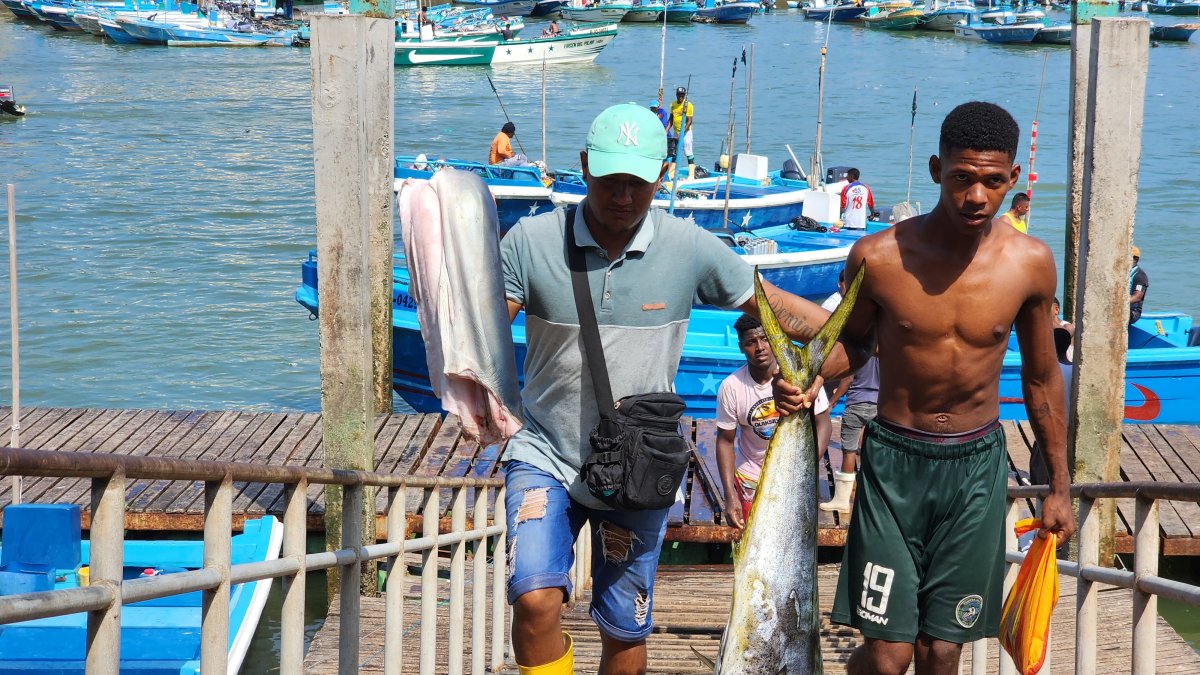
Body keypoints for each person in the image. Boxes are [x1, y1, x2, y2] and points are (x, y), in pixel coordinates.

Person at [500, 102, 836, 675]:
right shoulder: (529, 242)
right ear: (584, 167)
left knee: (624, 629)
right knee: (534, 599)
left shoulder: (688, 247)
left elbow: (776, 308)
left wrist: (848, 340)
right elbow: (475, 334)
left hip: (639, 462)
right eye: (611, 179)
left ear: (662, 174)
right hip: (546, 453)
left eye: (638, 180)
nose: (624, 196)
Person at [776, 101, 1076, 675]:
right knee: (888, 655)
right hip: (893, 463)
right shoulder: (880, 256)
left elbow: (1040, 380)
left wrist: (1058, 486)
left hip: (976, 469)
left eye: (992, 182)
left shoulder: (1031, 264)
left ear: (1012, 178)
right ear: (937, 169)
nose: (976, 197)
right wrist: (812, 379)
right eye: (962, 179)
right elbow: (856, 345)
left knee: (941, 651)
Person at [716, 314, 830, 529]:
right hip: (751, 479)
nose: (760, 347)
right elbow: (725, 441)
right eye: (751, 342)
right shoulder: (731, 386)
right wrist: (729, 496)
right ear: (741, 348)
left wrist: (806, 463)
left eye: (765, 339)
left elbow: (823, 423)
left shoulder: (799, 377)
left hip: (793, 477)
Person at [819, 271, 879, 515]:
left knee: (849, 452)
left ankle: (843, 500)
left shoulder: (858, 350)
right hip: (879, 406)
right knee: (872, 453)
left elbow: (847, 378)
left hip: (855, 405)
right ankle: (870, 499)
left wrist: (832, 402)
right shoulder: (882, 349)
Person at [667, 86, 695, 181]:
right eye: (679, 95)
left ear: (684, 95)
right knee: (674, 152)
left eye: (682, 95)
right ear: (676, 95)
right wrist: (666, 130)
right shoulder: (673, 105)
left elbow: (689, 121)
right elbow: (671, 119)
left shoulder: (688, 105)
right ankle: (671, 173)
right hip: (676, 132)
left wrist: (682, 133)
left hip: (686, 132)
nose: (680, 97)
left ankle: (691, 175)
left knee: (688, 151)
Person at [1130, 245, 1149, 325]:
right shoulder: (1123, 273)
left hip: (1133, 312)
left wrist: (1119, 303)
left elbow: (1137, 297)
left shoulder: (1140, 276)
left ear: (1136, 259)